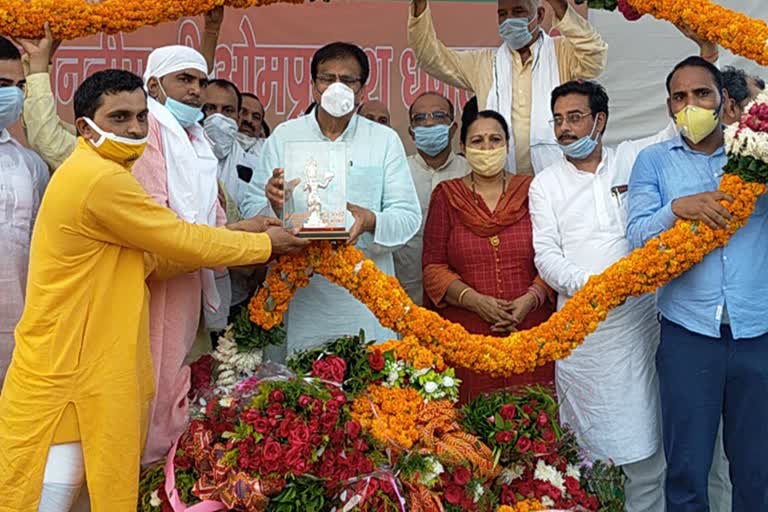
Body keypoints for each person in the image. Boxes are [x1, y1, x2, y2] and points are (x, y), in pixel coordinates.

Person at [0, 68, 307, 512]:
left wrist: (240, 229)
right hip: (67, 371)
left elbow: (156, 260)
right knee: (52, 496)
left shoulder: (106, 174)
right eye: (119, 117)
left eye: (142, 117)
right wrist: (262, 243)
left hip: (91, 369)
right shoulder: (99, 179)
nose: (135, 129)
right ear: (85, 128)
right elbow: (180, 238)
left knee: (91, 492)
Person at [627, 56, 768, 511]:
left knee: (757, 468)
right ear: (669, 107)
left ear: (724, 100)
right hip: (689, 336)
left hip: (758, 333)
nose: (691, 105)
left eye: (702, 94)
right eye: (680, 97)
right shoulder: (652, 162)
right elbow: (637, 236)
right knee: (687, 468)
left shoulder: (756, 157)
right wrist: (678, 208)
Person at [529, 80, 678, 511]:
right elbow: (547, 257)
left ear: (600, 120)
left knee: (647, 445)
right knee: (585, 452)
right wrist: (594, 287)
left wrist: (706, 54)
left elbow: (675, 132)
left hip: (636, 328)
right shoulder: (546, 185)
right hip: (583, 334)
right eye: (558, 120)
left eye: (575, 117)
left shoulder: (633, 159)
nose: (565, 129)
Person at [241, 42, 421, 358]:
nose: (336, 86)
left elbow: (407, 216)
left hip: (364, 294)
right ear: (313, 87)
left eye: (348, 80)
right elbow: (250, 211)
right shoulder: (285, 135)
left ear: (362, 91)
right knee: (297, 393)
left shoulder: (384, 140)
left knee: (369, 393)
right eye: (327, 78)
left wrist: (369, 220)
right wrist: (272, 202)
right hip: (300, 292)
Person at [132, 45, 237, 465]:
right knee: (154, 388)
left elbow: (214, 217)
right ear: (154, 86)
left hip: (192, 277)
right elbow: (159, 222)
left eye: (200, 81)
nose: (196, 91)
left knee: (179, 384)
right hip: (158, 279)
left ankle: (166, 481)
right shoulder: (149, 134)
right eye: (185, 80)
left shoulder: (196, 140)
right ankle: (144, 481)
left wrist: (248, 234)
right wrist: (249, 239)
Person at [422, 109, 554, 403]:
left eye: (495, 140)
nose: (487, 148)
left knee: (532, 420)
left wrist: (531, 298)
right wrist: (474, 300)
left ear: (507, 145)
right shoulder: (447, 196)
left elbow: (554, 256)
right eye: (477, 141)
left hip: (531, 329)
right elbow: (433, 267)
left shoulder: (534, 190)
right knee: (474, 426)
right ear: (463, 148)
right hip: (468, 336)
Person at [408, 0, 607, 175]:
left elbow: (595, 56)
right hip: (502, 184)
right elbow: (430, 58)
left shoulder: (561, 52)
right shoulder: (485, 63)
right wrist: (419, 4)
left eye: (518, 11)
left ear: (539, 15)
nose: (509, 20)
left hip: (557, 179)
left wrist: (559, 6)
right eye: (502, 14)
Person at [0, 37, 49, 385]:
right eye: (3, 86)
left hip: (14, 329)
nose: (14, 97)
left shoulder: (28, 164)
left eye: (19, 86)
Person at [394, 92, 468, 305]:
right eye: (420, 119)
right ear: (412, 132)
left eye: (438, 116)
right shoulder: (397, 174)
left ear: (453, 128)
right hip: (405, 295)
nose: (429, 123)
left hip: (460, 296)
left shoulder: (470, 172)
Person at [238, 92, 268, 157]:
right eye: (243, 112)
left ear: (260, 128)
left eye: (256, 117)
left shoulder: (269, 154)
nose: (249, 120)